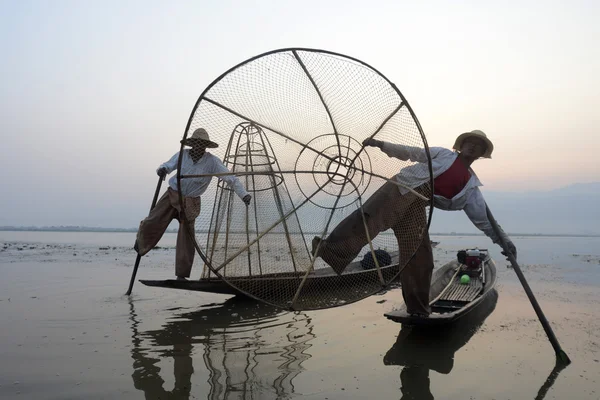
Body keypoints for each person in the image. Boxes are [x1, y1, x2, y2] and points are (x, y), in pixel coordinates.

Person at [312, 130, 516, 316]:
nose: (472, 146)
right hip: (402, 187)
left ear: (481, 154)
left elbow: (485, 221)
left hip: (415, 206)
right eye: (469, 142)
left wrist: (504, 242)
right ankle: (330, 250)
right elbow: (412, 152)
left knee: (420, 255)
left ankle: (418, 309)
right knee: (370, 220)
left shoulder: (471, 186)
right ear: (460, 146)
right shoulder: (443, 154)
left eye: (478, 145)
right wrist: (381, 144)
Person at [135, 128, 251, 280]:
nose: (198, 147)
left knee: (186, 238)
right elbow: (168, 165)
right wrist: (162, 170)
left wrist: (244, 194)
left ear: (205, 146)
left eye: (201, 144)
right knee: (153, 221)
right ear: (192, 144)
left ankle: (181, 276)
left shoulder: (212, 162)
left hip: (191, 202)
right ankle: (140, 245)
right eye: (196, 144)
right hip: (173, 194)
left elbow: (230, 178)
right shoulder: (182, 155)